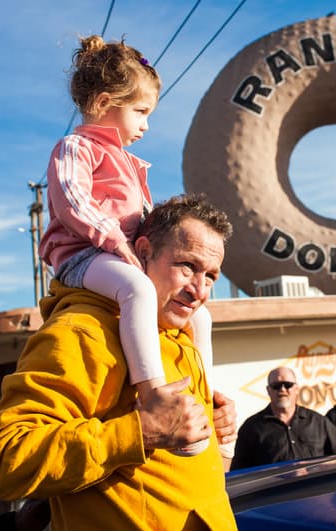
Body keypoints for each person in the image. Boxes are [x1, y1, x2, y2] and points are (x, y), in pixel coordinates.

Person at [0, 194, 238, 531]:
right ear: (143, 252)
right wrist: (138, 432)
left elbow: (197, 476)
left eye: (211, 276)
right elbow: (0, 464)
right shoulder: (83, 332)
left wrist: (220, 435)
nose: (199, 290)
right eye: (187, 266)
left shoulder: (183, 336)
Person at [38, 35, 214, 456]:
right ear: (103, 103)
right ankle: (153, 392)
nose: (146, 125)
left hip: (121, 256)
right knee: (136, 290)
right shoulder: (75, 148)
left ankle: (206, 395)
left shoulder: (130, 164)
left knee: (201, 316)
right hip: (83, 256)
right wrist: (118, 243)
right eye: (140, 111)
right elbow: (71, 200)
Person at [231, 367, 336, 470]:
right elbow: (238, 474)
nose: (282, 390)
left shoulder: (318, 422)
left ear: (296, 389)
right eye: (276, 386)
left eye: (288, 385)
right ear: (268, 390)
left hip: (315, 498)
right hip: (275, 499)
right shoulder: (251, 428)